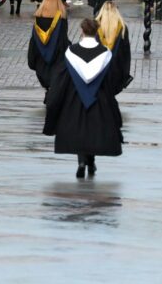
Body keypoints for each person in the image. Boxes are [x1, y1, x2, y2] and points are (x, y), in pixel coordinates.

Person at [43, 18, 124, 179]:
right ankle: (91, 162)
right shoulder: (105, 54)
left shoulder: (70, 53)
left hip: (74, 98)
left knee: (79, 130)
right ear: (96, 32)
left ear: (82, 31)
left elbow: (62, 80)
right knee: (92, 131)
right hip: (98, 98)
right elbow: (112, 80)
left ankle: (81, 162)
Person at [27, 0, 68, 95]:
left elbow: (33, 43)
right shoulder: (61, 21)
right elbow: (63, 41)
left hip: (40, 63)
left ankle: (49, 93)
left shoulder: (37, 21)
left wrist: (32, 60)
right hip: (57, 61)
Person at [95, 1, 132, 89]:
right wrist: (125, 74)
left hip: (98, 69)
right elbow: (126, 54)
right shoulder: (122, 28)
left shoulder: (96, 27)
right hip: (116, 69)